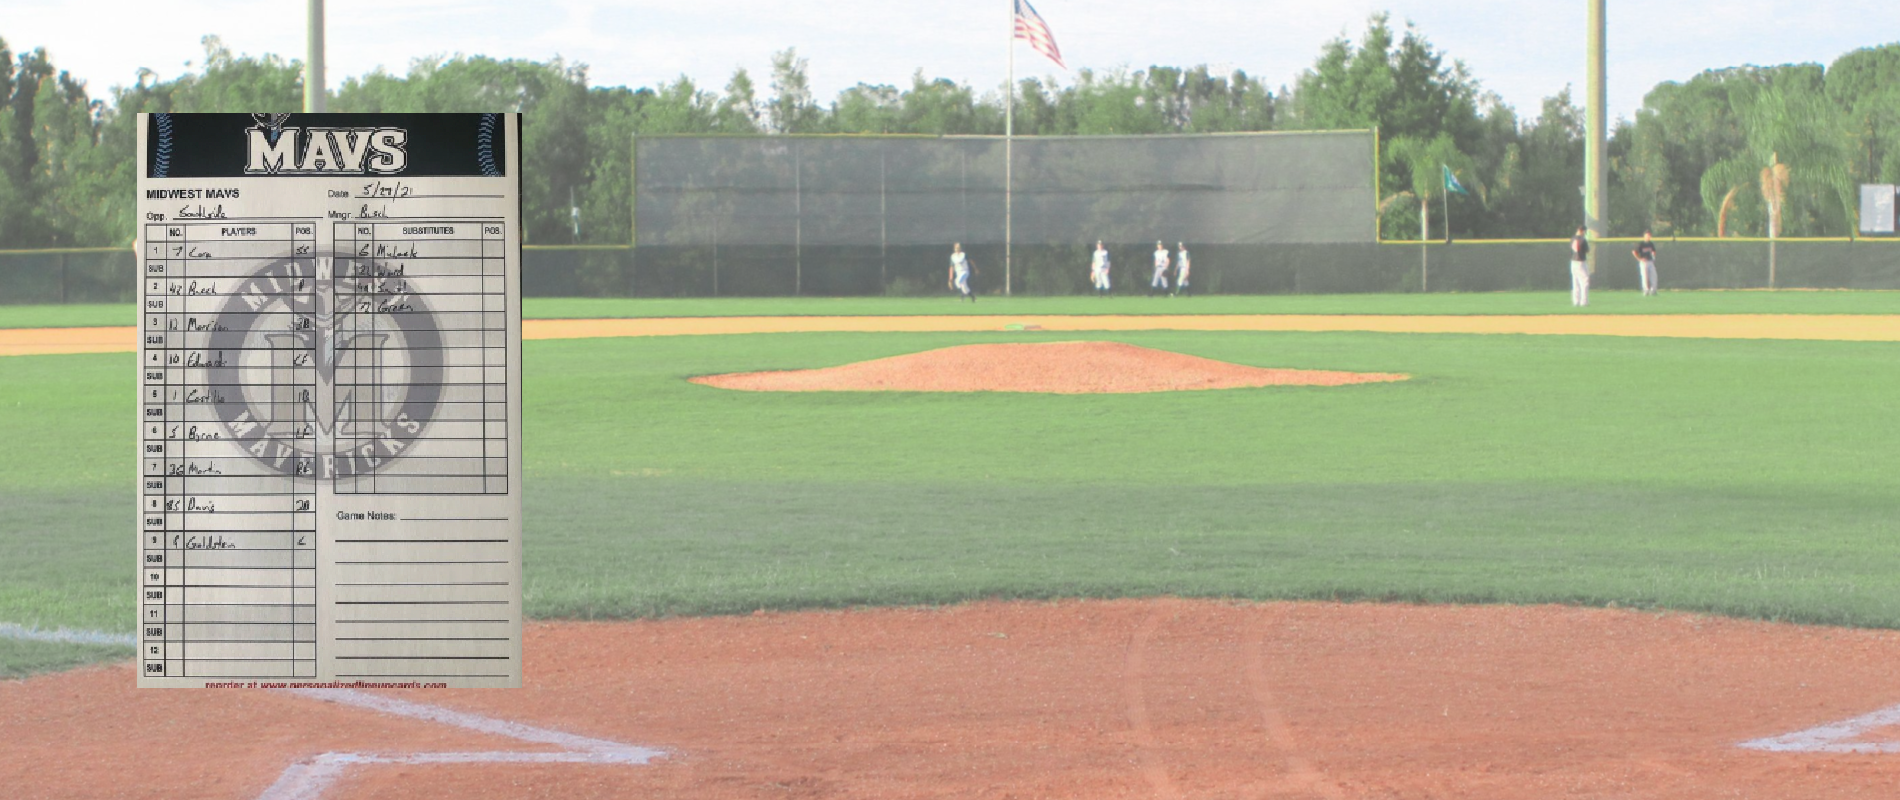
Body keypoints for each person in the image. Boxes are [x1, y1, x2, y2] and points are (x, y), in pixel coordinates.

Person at [1568, 227, 1591, 307]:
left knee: (1575, 282)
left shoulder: (1572, 238)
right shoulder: (1583, 239)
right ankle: (1584, 302)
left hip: (1573, 262)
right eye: (1584, 231)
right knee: (1585, 281)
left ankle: (1576, 301)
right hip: (1580, 262)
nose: (1584, 233)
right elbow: (1587, 250)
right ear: (1581, 231)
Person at [1632, 231, 1659, 296]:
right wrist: (1639, 259)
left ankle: (1653, 290)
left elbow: (1653, 251)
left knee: (1654, 276)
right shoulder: (1641, 244)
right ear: (1644, 236)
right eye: (1647, 235)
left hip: (1650, 261)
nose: (1648, 237)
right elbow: (1634, 252)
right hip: (1643, 262)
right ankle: (1646, 291)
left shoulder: (1651, 244)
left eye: (1649, 236)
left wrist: (1653, 255)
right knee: (1645, 277)